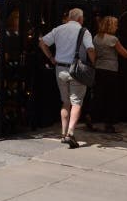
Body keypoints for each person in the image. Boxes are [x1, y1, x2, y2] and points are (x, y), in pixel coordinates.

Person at [38, 8, 96, 148]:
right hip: (76, 70)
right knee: (76, 103)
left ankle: (63, 134)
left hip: (60, 69)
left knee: (65, 102)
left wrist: (51, 57)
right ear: (80, 19)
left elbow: (42, 42)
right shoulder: (84, 31)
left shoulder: (58, 29)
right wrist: (93, 63)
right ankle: (70, 133)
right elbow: (90, 49)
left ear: (69, 17)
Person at [92, 15, 127, 133]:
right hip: (110, 70)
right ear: (110, 26)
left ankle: (94, 118)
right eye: (115, 25)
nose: (117, 27)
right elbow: (125, 54)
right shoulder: (113, 39)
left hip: (99, 69)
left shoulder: (96, 38)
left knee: (99, 95)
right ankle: (109, 123)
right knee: (111, 97)